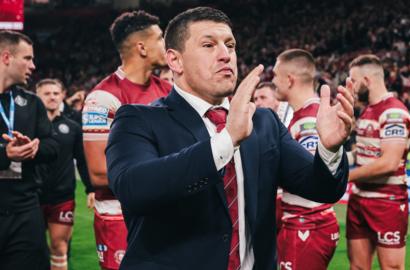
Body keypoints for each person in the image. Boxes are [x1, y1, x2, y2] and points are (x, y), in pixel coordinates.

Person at [106, 7, 353, 270]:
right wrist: (226, 141)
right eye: (209, 45)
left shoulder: (264, 122)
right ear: (175, 61)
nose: (226, 55)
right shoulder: (138, 119)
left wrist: (330, 149)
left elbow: (323, 189)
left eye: (230, 45)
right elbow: (134, 189)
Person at [82, 11, 172, 270]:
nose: (167, 44)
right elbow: (99, 173)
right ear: (142, 47)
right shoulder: (102, 99)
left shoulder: (168, 91)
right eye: (160, 38)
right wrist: (168, 176)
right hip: (119, 216)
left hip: (164, 214)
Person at [272, 49, 339, 270]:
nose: (273, 82)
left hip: (307, 223)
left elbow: (310, 175)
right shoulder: (306, 114)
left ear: (289, 79)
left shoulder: (310, 119)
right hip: (304, 221)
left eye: (275, 76)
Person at [347, 54, 410, 270]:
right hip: (359, 199)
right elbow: (362, 153)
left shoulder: (393, 111)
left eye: (354, 81)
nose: (352, 87)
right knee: (357, 267)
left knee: (391, 267)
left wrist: (345, 176)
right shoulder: (367, 110)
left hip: (387, 201)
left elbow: (389, 163)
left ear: (367, 81)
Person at [0, 30, 59, 270]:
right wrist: (5, 154)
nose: (33, 65)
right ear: (6, 57)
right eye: (27, 58)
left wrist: (34, 148)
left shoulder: (32, 102)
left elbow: (53, 145)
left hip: (24, 210)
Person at [35, 78, 94, 270]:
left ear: (62, 95)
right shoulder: (28, 126)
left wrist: (90, 189)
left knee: (59, 247)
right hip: (32, 196)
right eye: (46, 93)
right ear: (37, 96)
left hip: (62, 197)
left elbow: (83, 161)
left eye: (55, 93)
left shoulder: (73, 128)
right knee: (33, 249)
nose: (52, 97)